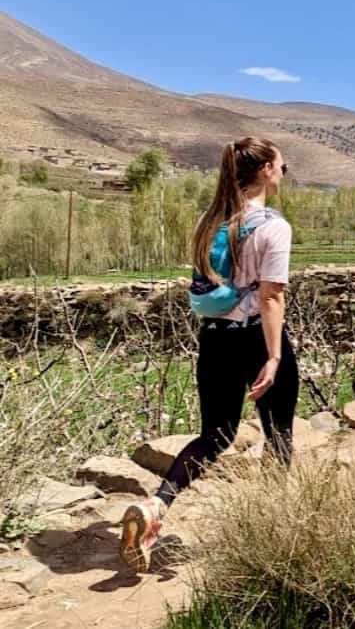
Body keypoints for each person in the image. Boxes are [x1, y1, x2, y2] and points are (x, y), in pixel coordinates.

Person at [119, 137, 299, 573]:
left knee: (215, 434)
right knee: (278, 433)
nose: (284, 172)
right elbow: (272, 296)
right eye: (281, 165)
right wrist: (273, 358)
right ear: (264, 172)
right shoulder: (273, 226)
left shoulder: (209, 221)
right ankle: (276, 531)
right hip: (257, 337)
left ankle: (157, 506)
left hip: (214, 338)